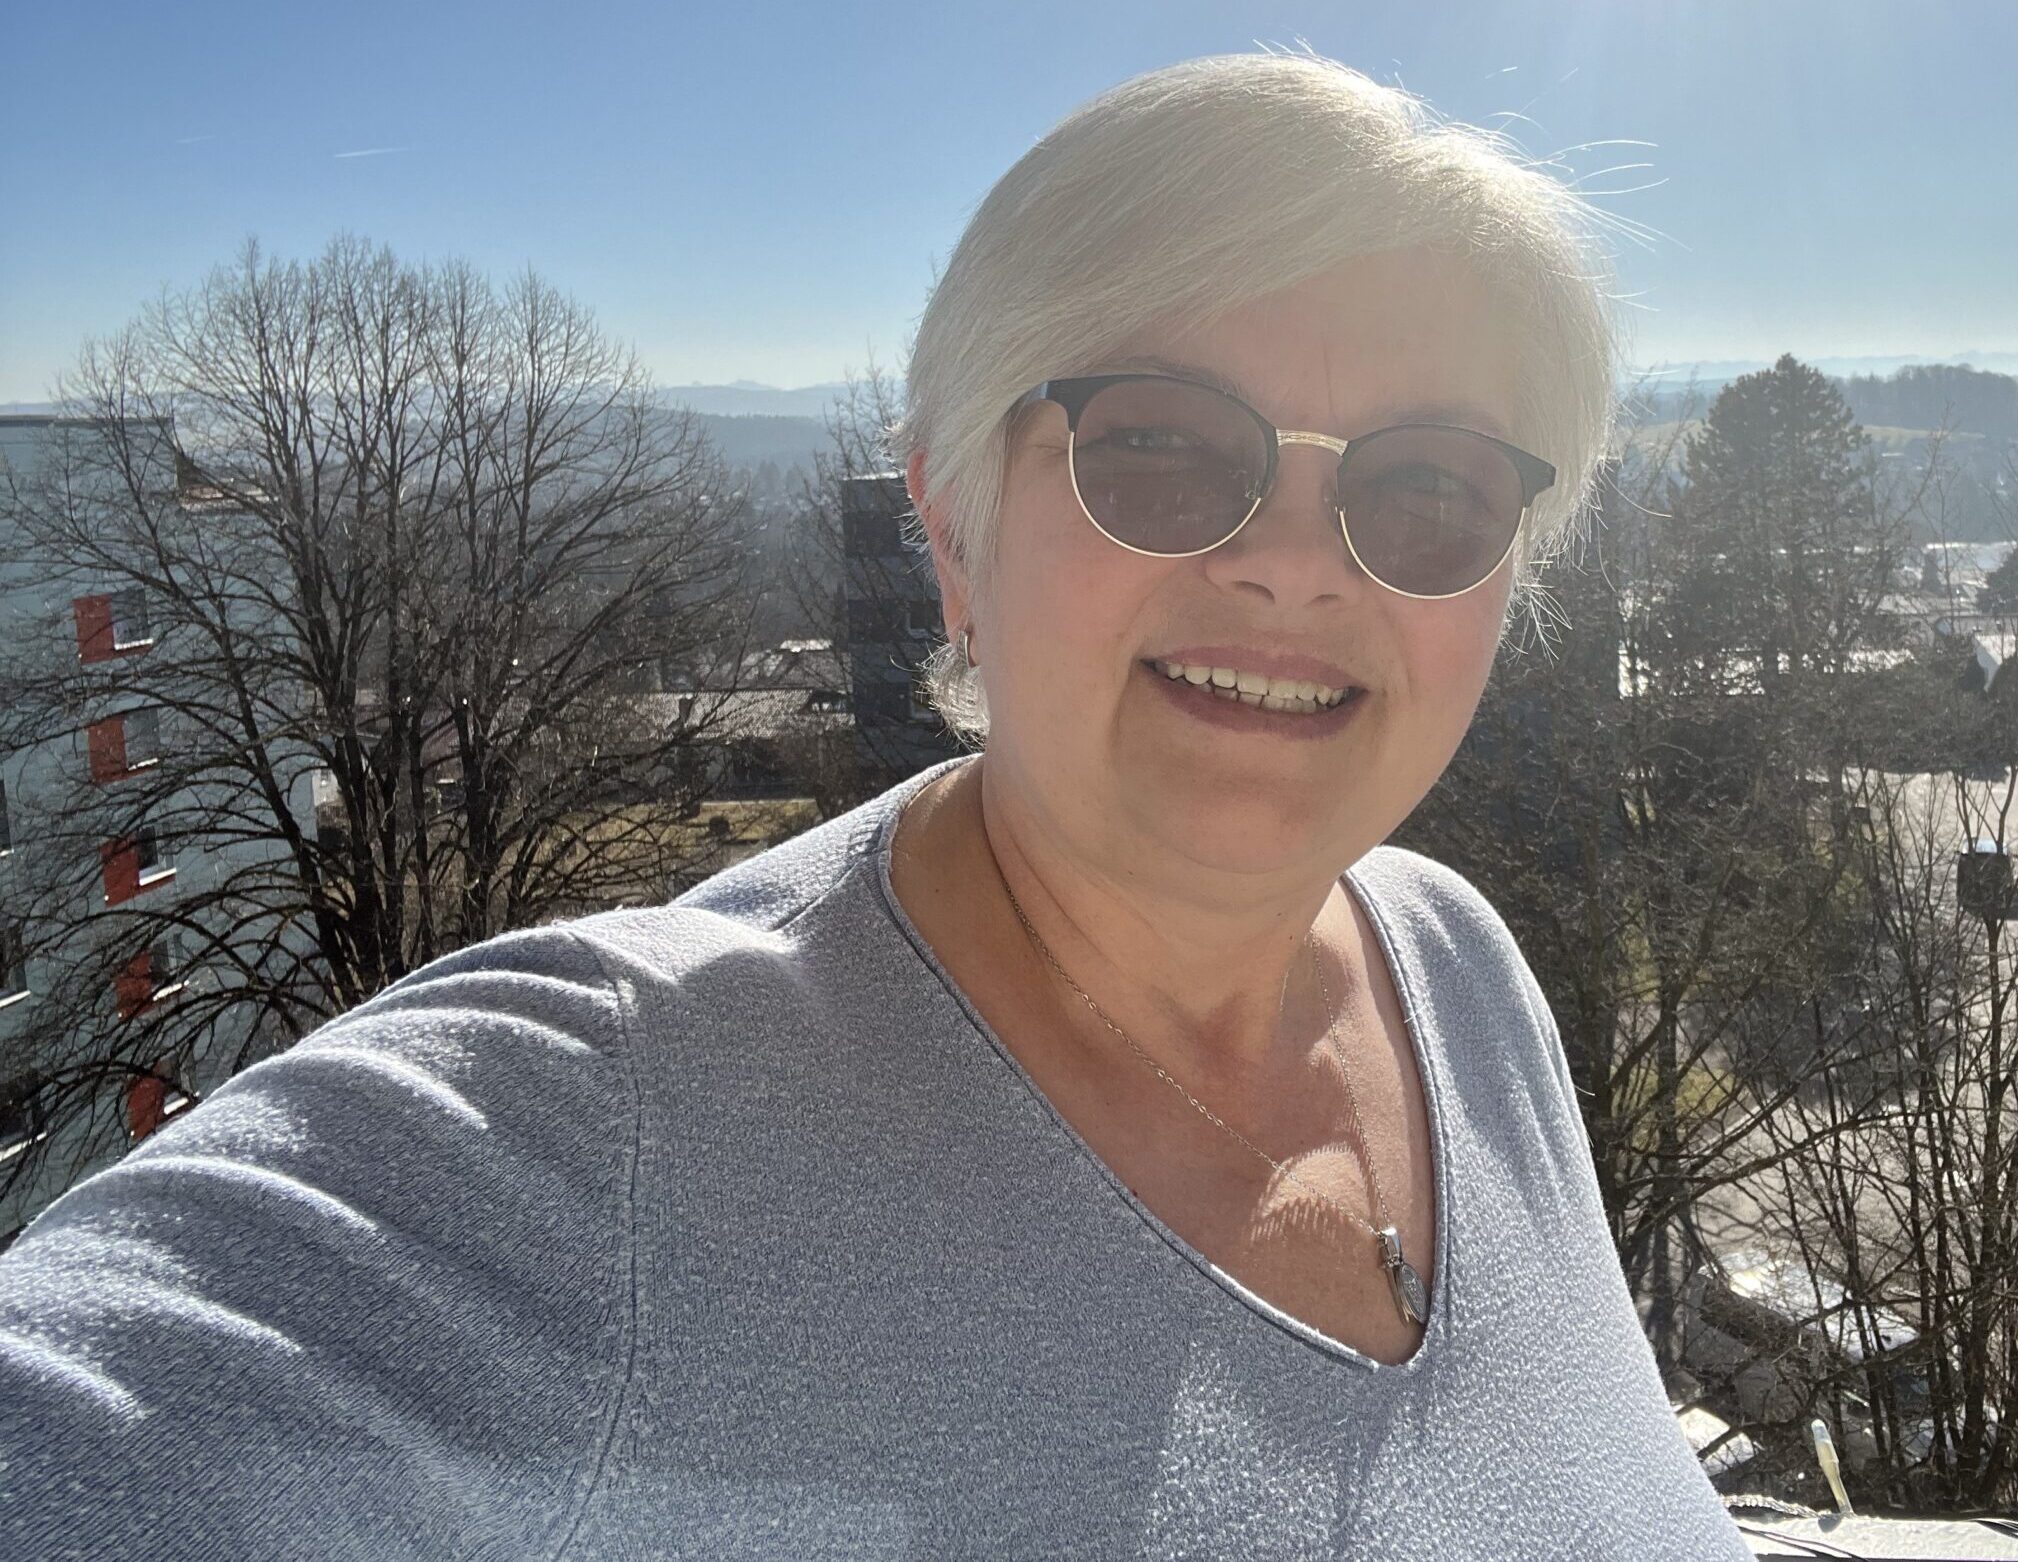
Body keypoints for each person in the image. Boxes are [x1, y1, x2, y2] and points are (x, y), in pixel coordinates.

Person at [0, 52, 1752, 1560]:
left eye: (1430, 487)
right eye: (1158, 445)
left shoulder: (1461, 972)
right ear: (954, 529)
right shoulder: (630, 1113)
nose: (1295, 566)